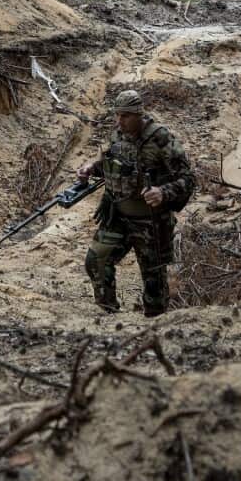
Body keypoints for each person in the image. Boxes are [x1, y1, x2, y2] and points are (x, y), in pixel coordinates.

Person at [77, 90, 195, 317]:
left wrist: (163, 192)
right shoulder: (117, 135)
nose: (119, 121)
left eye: (125, 116)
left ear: (139, 114)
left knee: (153, 284)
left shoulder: (160, 139)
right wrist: (92, 168)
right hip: (117, 216)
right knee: (96, 261)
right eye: (117, 115)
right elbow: (112, 164)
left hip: (150, 222)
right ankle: (108, 316)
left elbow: (189, 179)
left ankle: (154, 326)